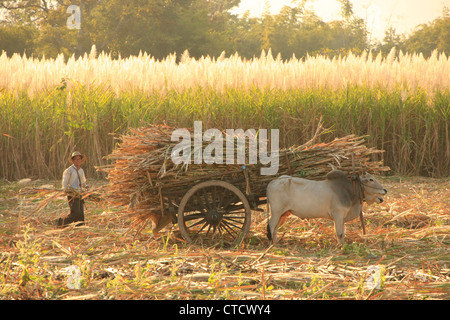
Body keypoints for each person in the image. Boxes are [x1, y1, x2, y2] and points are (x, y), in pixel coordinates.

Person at [57, 151, 89, 227]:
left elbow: (83, 182)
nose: (78, 160)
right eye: (76, 159)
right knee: (75, 212)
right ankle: (61, 222)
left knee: (81, 213)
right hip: (72, 193)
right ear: (73, 161)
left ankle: (79, 226)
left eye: (79, 159)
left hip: (80, 193)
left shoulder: (81, 170)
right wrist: (66, 190)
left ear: (81, 160)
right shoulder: (69, 170)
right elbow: (65, 183)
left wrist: (86, 187)